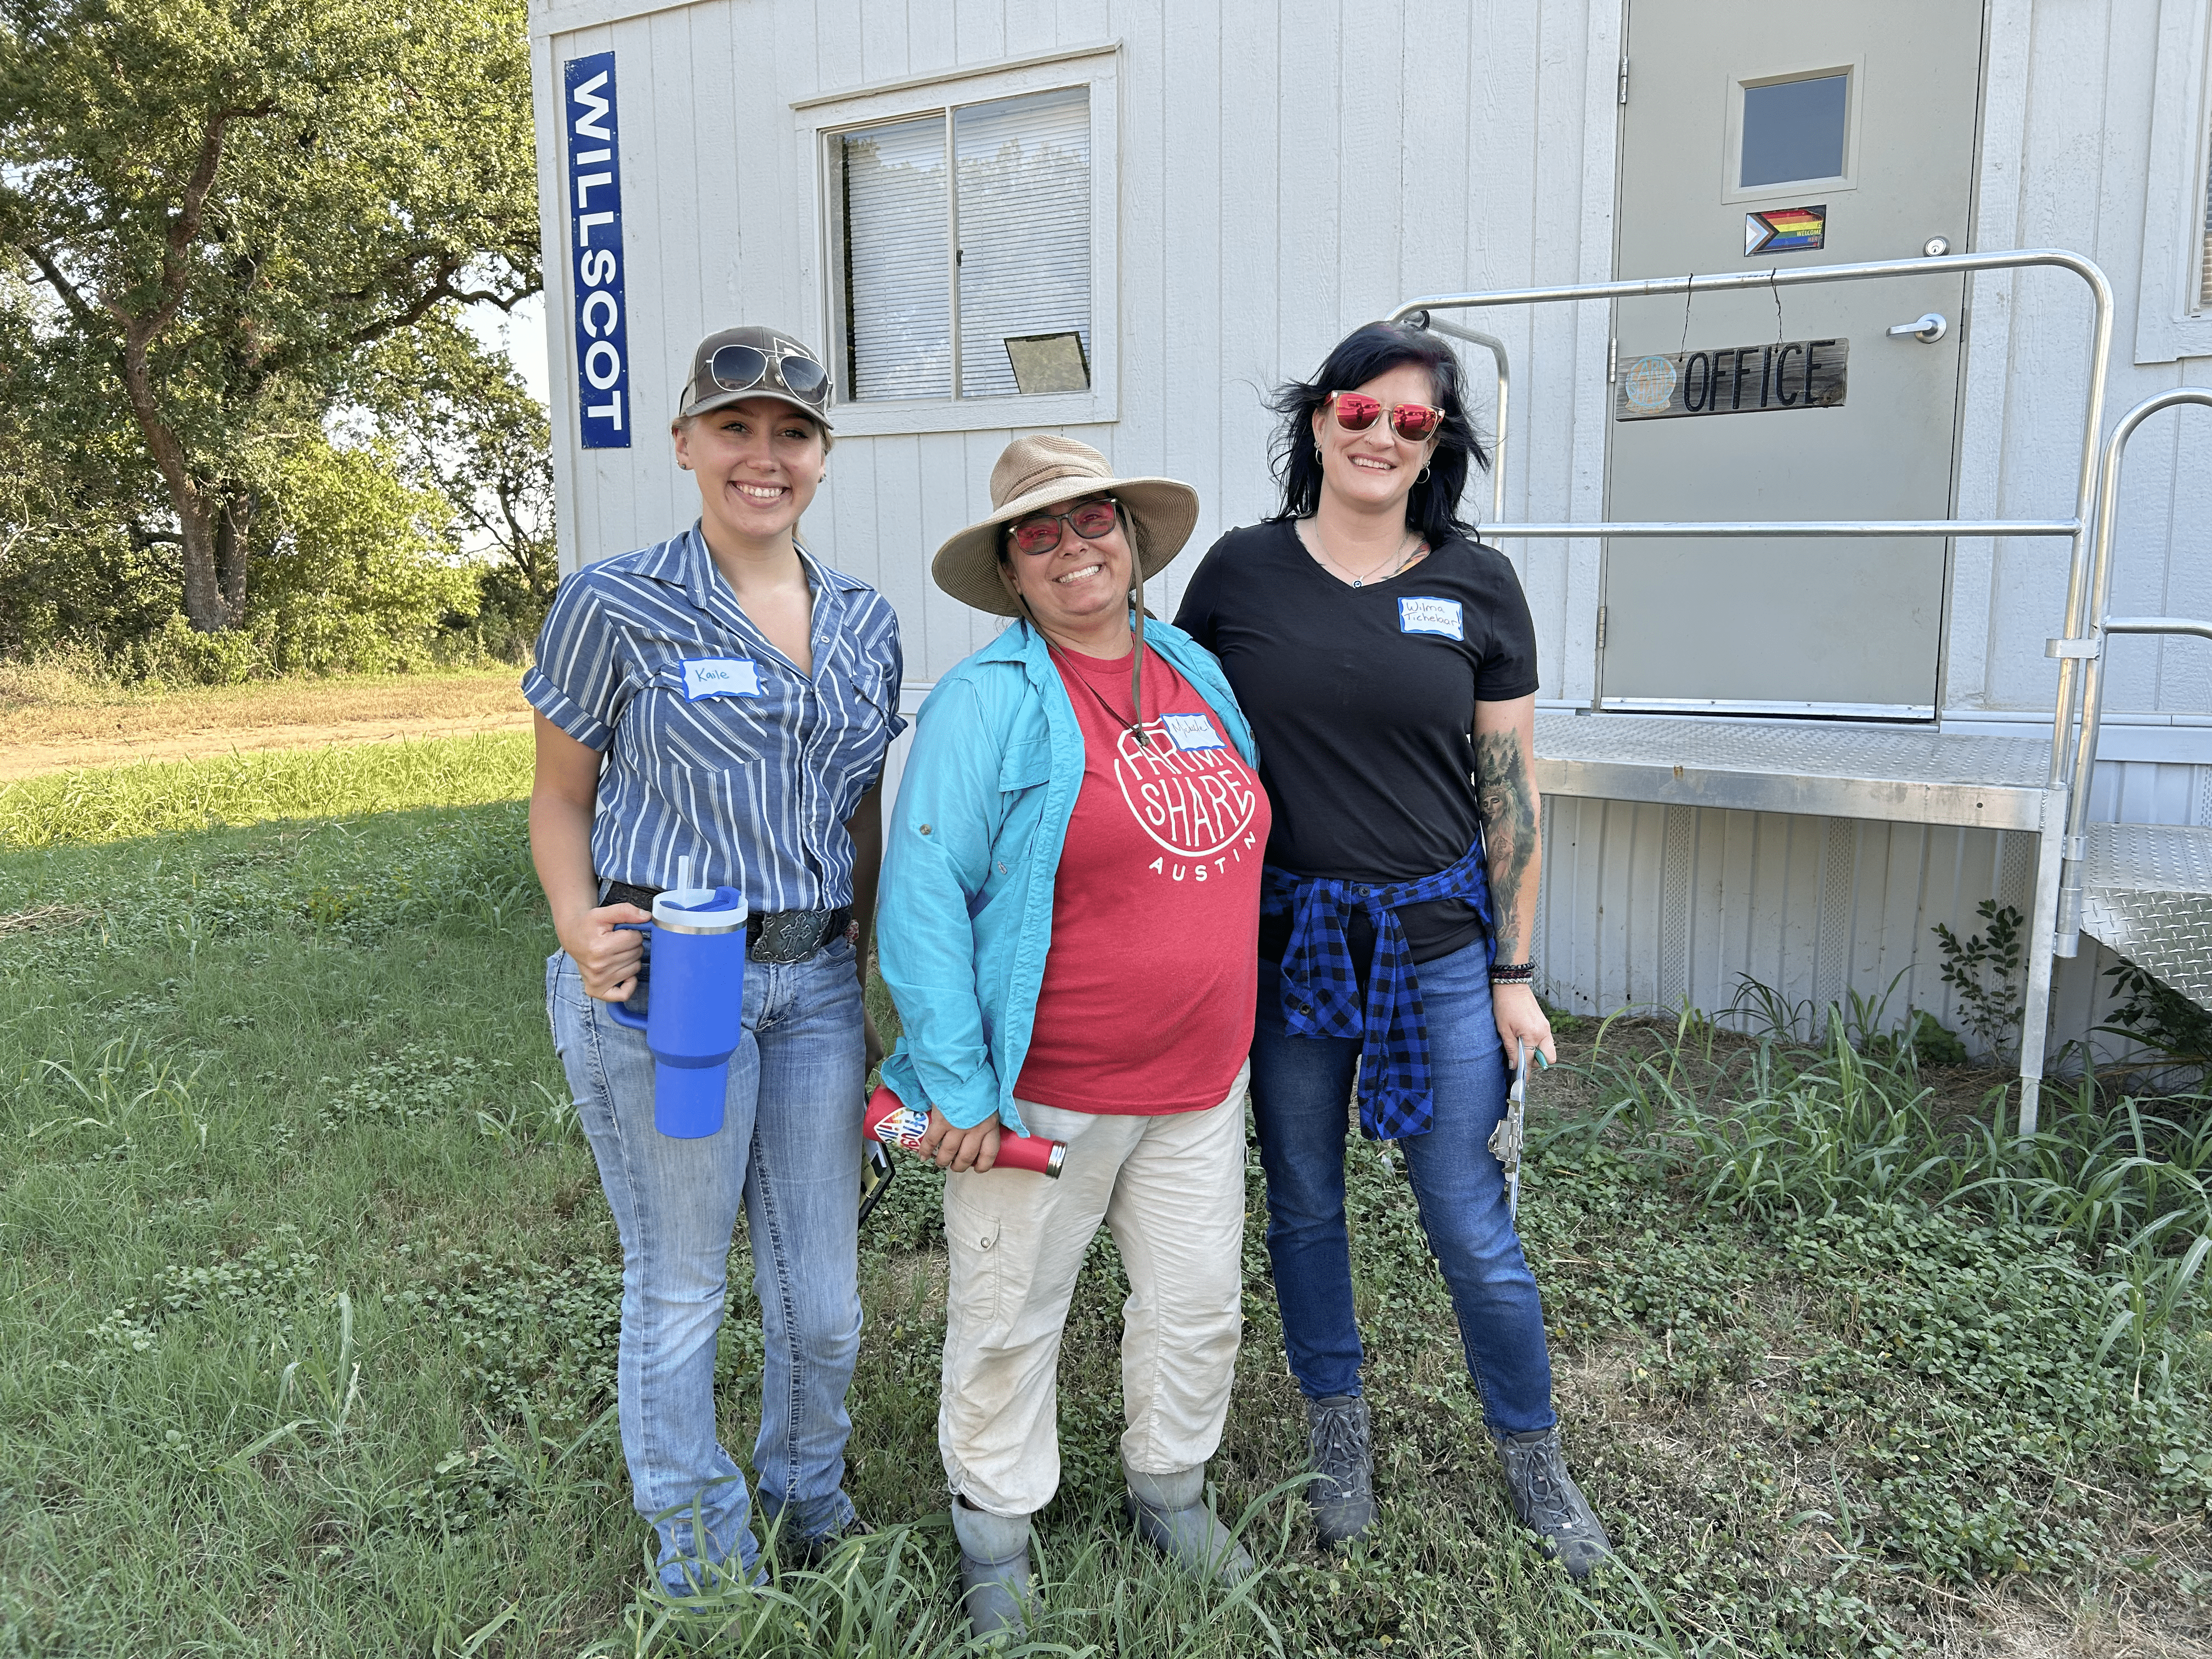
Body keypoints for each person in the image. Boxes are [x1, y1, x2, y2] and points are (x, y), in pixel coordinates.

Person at [1173, 321, 1612, 1578]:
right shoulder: (1240, 575)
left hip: (1435, 951)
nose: (1381, 436)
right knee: (1304, 1203)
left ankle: (1534, 1458)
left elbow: (1509, 793)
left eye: (1413, 422)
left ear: (1438, 447)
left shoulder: (1479, 583)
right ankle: (1339, 1443)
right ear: (1317, 421)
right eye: (1360, 412)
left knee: (1468, 1215)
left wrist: (1514, 976)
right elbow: (1180, 738)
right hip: (1289, 943)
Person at [524, 326, 904, 1598]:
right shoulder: (614, 601)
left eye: (791, 433)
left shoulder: (865, 621)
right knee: (682, 1283)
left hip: (814, 990)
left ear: (821, 458)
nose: (763, 456)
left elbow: (861, 811)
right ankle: (699, 1552)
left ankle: (810, 1497)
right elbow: (560, 795)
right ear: (684, 444)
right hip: (666, 985)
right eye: (734, 429)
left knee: (825, 1303)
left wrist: (864, 964)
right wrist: (578, 921)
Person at [874, 436, 1269, 1637]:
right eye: (1037, 535)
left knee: (1197, 1304)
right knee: (1008, 1318)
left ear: (1134, 538)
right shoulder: (987, 701)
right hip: (1044, 1092)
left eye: (1091, 519)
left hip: (1201, 1081)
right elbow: (924, 895)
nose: (1072, 547)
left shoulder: (1195, 664)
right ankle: (995, 1538)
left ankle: (1171, 1490)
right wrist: (957, 1088)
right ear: (1011, 569)